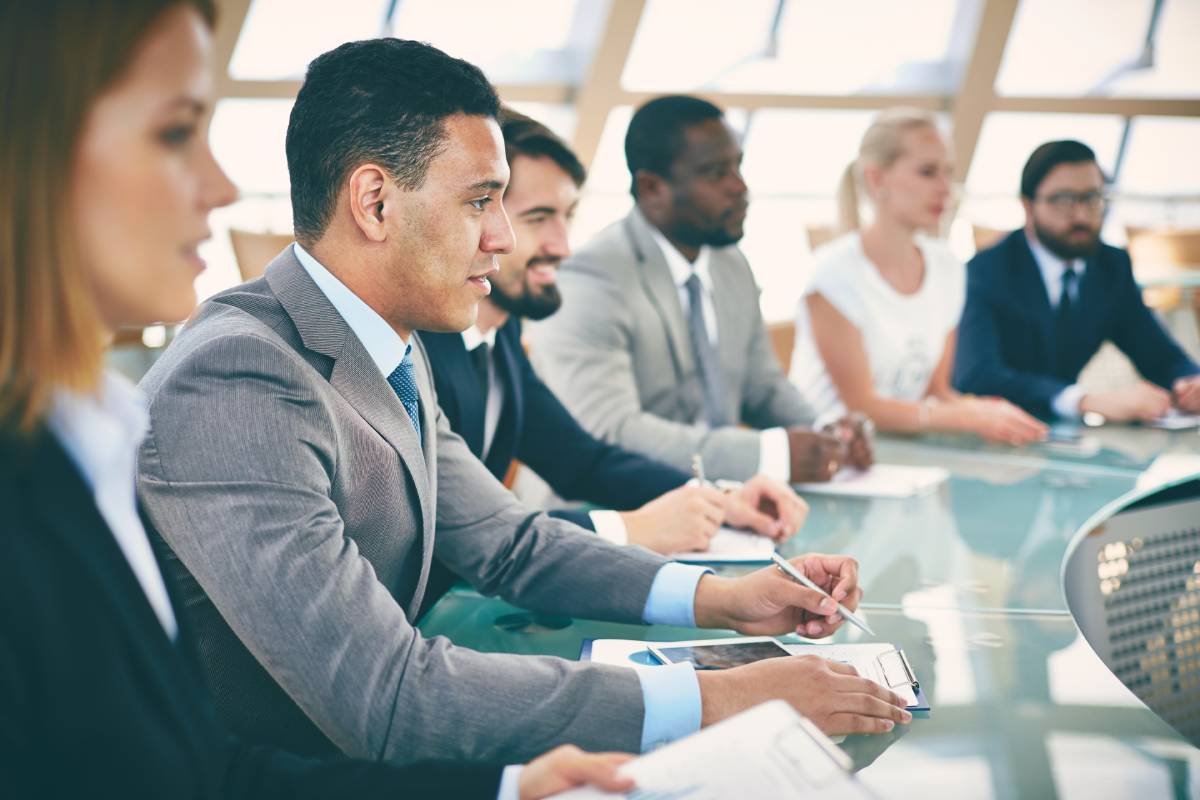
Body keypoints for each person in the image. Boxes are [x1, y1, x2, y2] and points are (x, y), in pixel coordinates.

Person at [133, 39, 912, 769]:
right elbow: (387, 694)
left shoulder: (385, 342)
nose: (503, 238)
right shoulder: (240, 376)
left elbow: (510, 544)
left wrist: (730, 597)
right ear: (373, 203)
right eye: (481, 201)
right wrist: (727, 695)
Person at [0, 2, 637, 798]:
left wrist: (508, 789)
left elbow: (195, 768)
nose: (221, 185)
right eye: (173, 133)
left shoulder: (84, 432)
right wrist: (701, 697)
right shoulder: (229, 376)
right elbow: (378, 697)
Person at [420, 108, 808, 568]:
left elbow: (582, 460)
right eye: (539, 218)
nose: (563, 245)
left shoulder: (497, 339)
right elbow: (475, 533)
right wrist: (631, 529)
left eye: (567, 216)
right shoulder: (421, 353)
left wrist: (720, 499)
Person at [527, 95, 873, 484]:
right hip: (613, 510)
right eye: (714, 173)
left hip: (726, 507)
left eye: (738, 166)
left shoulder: (731, 263)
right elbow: (612, 431)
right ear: (652, 187)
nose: (739, 187)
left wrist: (826, 431)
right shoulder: (592, 277)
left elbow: (761, 386)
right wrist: (767, 455)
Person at [789, 109, 1047, 445]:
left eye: (947, 173)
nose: (945, 188)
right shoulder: (833, 276)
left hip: (907, 456)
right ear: (877, 179)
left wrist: (991, 413)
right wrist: (965, 416)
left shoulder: (947, 267)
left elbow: (935, 392)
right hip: (832, 460)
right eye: (928, 173)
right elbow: (863, 408)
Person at [954, 139, 1200, 420]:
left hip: (1062, 437)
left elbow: (1158, 354)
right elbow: (977, 376)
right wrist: (1084, 401)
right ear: (1028, 206)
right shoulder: (985, 272)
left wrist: (1189, 381)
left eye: (1092, 199)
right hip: (989, 438)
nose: (1082, 215)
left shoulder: (1111, 266)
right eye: (1064, 201)